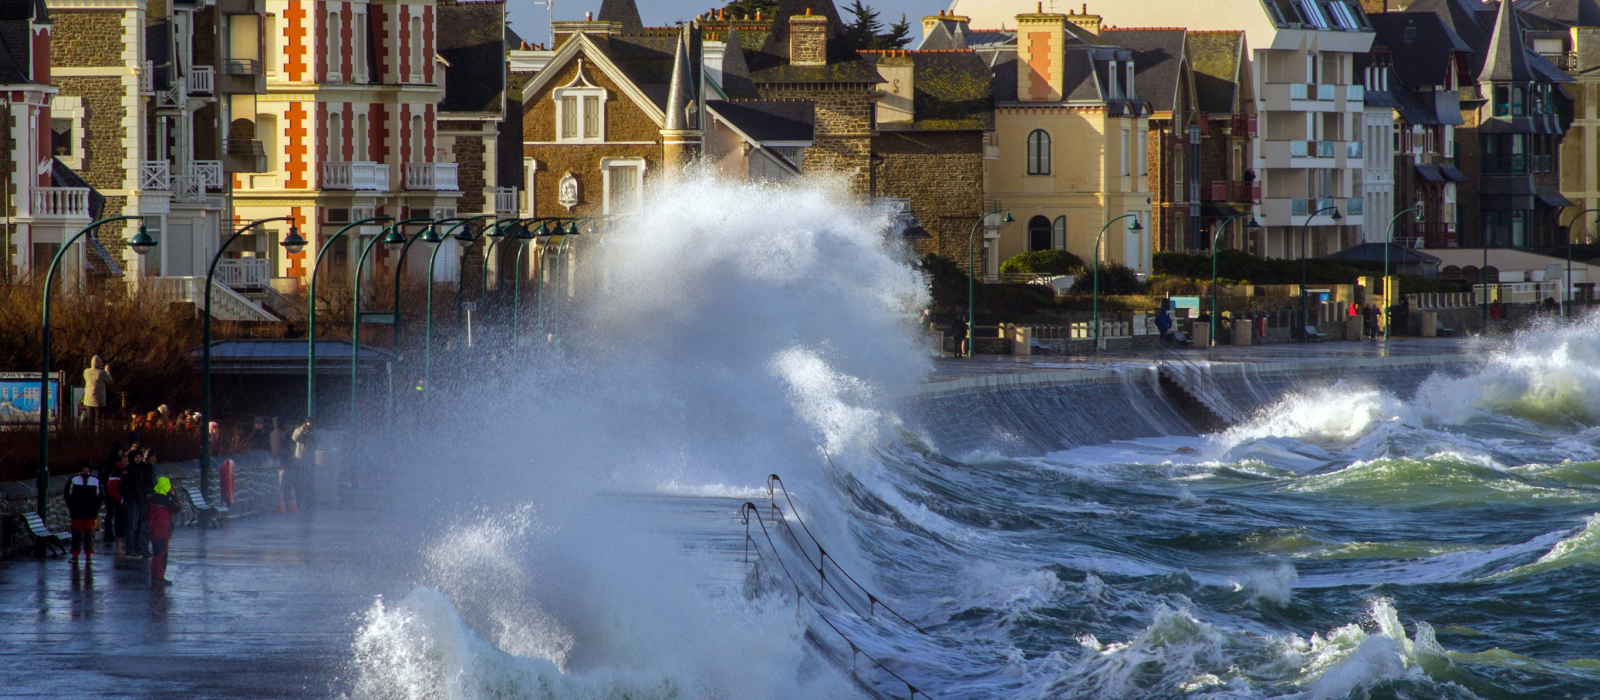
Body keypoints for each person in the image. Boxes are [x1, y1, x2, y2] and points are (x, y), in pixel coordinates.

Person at [63, 461, 103, 565]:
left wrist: (95, 509)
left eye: (87, 468)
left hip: (89, 512)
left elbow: (100, 497)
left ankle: (88, 554)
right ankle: (75, 555)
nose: (86, 470)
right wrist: (72, 507)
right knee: (76, 534)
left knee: (88, 535)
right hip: (78, 512)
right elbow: (67, 495)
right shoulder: (74, 480)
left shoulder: (95, 481)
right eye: (84, 468)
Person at [146, 477, 180, 586]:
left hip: (152, 529)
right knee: (162, 553)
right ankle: (160, 577)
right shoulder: (167, 500)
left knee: (156, 552)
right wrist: (173, 495)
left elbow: (144, 513)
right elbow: (177, 508)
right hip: (163, 530)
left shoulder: (150, 498)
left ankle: (154, 575)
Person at [81, 356, 112, 431]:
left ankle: (90, 437)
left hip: (88, 400)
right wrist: (108, 372)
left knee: (90, 421)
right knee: (98, 422)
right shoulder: (102, 373)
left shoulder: (86, 372)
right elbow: (110, 381)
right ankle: (97, 438)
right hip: (99, 401)